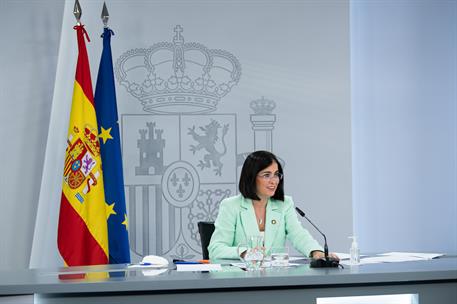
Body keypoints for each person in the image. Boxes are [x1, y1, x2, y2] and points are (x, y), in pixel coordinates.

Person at [208, 150, 339, 261]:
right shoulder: (231, 206)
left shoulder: (284, 204)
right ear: (251, 177)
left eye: (276, 175)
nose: (273, 181)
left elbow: (298, 234)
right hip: (240, 278)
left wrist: (315, 252)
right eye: (266, 175)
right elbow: (216, 249)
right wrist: (244, 252)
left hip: (275, 277)